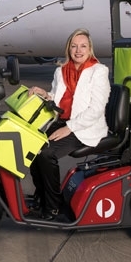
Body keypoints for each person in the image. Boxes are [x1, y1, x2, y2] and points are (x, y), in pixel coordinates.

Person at [28, 28, 110, 220]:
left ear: (90, 49)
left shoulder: (98, 71)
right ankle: (42, 197)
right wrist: (45, 94)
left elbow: (96, 109)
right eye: (74, 46)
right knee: (31, 149)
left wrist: (69, 128)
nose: (78, 50)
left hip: (84, 127)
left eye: (83, 46)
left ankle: (53, 206)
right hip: (63, 121)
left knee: (47, 154)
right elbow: (57, 98)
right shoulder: (61, 71)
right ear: (68, 49)